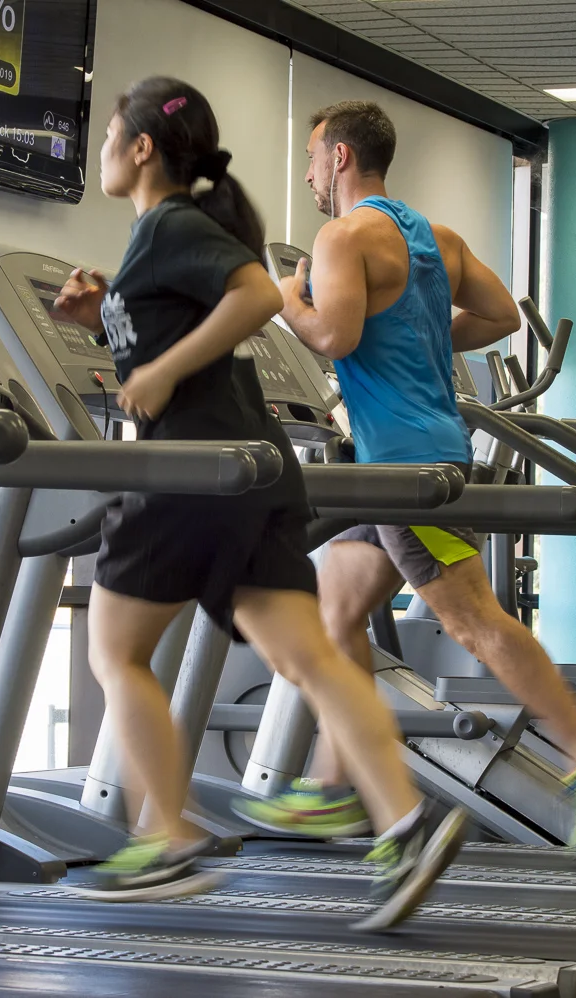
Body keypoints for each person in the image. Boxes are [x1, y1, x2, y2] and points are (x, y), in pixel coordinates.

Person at [54, 78, 458, 926]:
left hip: (190, 471)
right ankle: (406, 824)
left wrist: (160, 372)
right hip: (254, 468)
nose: (100, 150)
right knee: (310, 655)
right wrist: (109, 322)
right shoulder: (159, 238)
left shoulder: (171, 224)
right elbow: (193, 325)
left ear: (137, 150)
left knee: (114, 651)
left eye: (108, 135)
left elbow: (253, 295)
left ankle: (167, 837)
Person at [242, 99, 576, 855]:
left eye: (310, 156)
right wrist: (420, 340)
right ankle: (334, 788)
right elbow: (499, 318)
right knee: (332, 619)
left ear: (339, 158)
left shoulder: (340, 238)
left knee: (470, 619)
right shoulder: (437, 238)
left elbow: (335, 333)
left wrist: (289, 301)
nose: (306, 173)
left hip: (401, 465)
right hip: (404, 458)